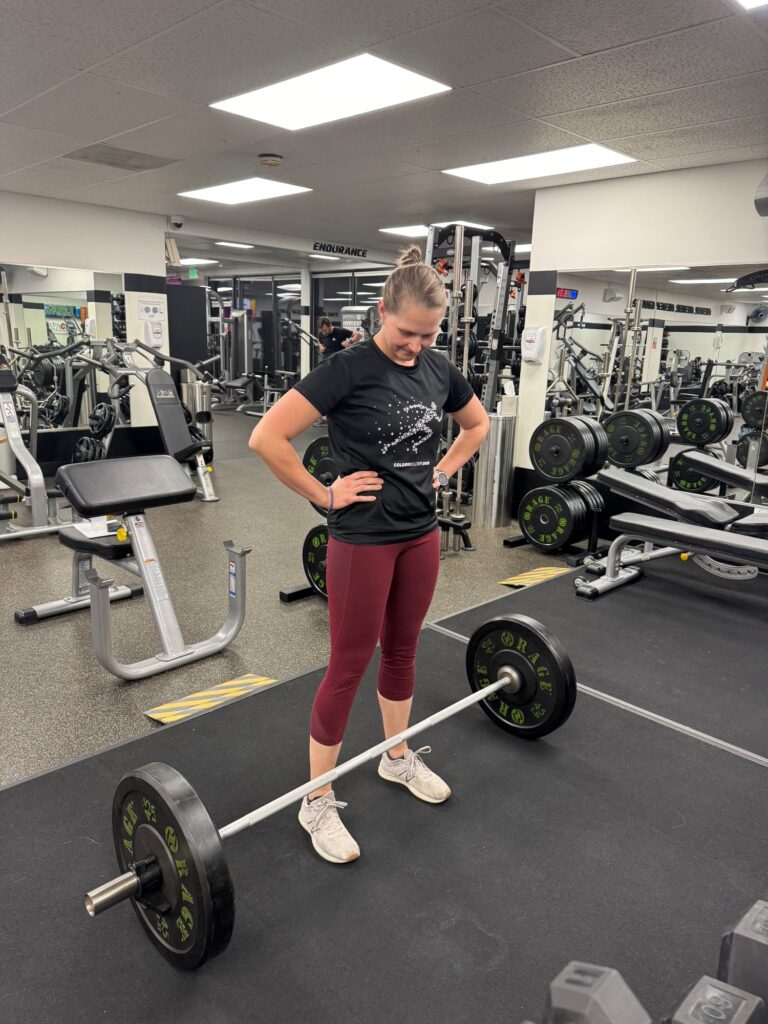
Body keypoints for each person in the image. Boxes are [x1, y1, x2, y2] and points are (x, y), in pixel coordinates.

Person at [249, 246, 490, 864]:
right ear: (382, 312)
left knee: (405, 650)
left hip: (420, 532)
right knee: (348, 665)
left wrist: (443, 470)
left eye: (427, 334)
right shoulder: (346, 368)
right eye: (406, 332)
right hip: (363, 539)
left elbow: (476, 425)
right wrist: (326, 494)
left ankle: (397, 756)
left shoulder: (438, 369)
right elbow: (266, 437)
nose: (415, 345)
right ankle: (316, 799)